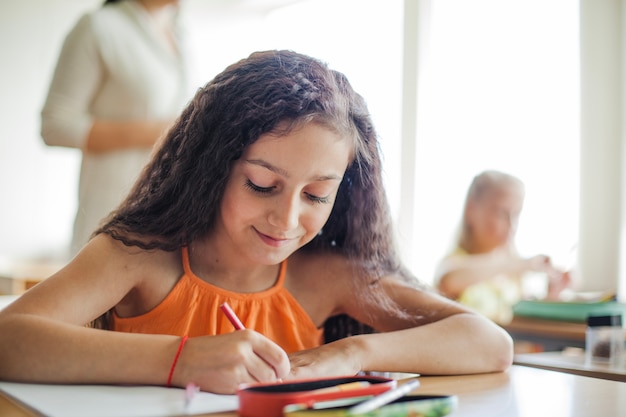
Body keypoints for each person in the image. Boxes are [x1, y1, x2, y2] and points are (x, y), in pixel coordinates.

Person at [0, 50, 513, 394]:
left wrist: (352, 353)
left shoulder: (328, 274)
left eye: (316, 194)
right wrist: (179, 361)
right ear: (211, 169)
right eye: (262, 185)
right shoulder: (139, 256)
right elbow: (10, 339)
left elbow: (491, 344)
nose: (286, 219)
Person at [41, 0, 189, 257]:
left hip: (169, 218)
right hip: (111, 210)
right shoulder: (98, 27)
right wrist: (162, 132)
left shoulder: (181, 33)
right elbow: (55, 125)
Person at [434, 170, 571, 324]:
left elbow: (524, 328)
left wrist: (552, 295)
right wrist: (522, 264)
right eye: (501, 213)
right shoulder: (456, 262)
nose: (511, 225)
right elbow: (448, 279)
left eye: (516, 214)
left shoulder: (513, 276)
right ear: (471, 209)